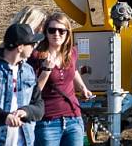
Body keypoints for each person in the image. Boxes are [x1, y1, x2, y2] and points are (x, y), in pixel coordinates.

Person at [30, 13, 93, 146]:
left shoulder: (71, 53)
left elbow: (74, 70)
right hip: (47, 121)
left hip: (73, 118)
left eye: (61, 30)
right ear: (46, 33)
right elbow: (34, 92)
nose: (56, 34)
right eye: (52, 30)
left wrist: (83, 88)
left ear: (68, 33)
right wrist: (46, 70)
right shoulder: (36, 56)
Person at [0, 23, 45, 146]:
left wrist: (26, 111)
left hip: (25, 142)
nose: (34, 47)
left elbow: (39, 107)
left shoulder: (29, 70)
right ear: (20, 47)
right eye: (32, 44)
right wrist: (3, 116)